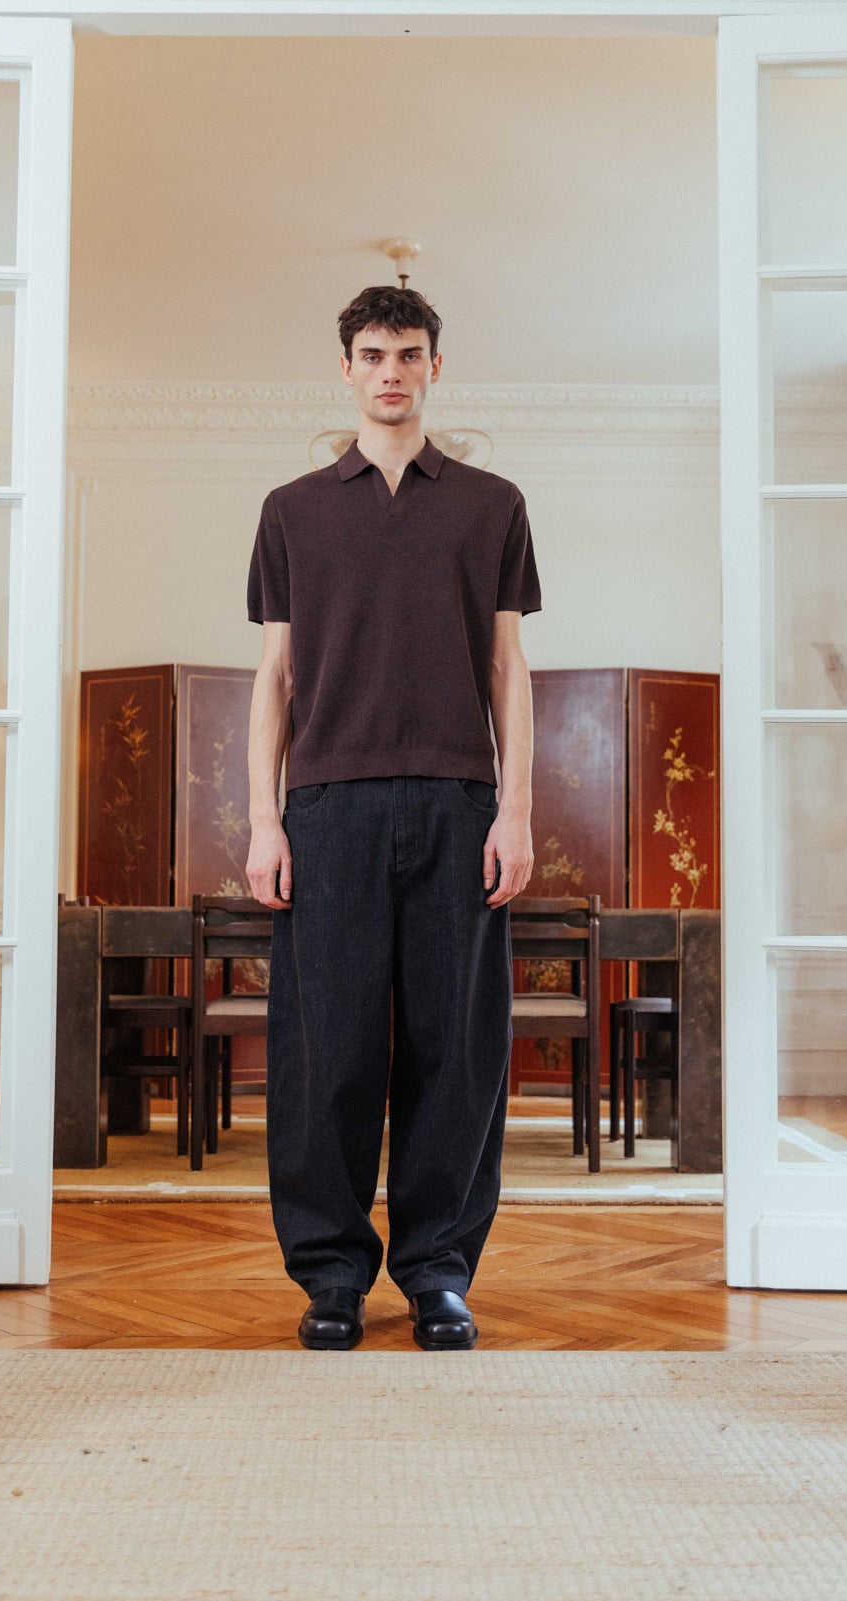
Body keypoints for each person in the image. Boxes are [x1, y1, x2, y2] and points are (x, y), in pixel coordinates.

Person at [244, 284, 541, 1352]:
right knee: (325, 1053)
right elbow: (274, 676)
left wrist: (515, 807)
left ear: (434, 367)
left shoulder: (492, 504)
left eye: (409, 353)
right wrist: (264, 819)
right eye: (372, 354)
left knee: (455, 1053)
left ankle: (438, 1273)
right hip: (327, 809)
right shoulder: (292, 510)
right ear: (347, 368)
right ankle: (330, 1275)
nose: (391, 371)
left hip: (460, 805)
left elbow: (507, 666)